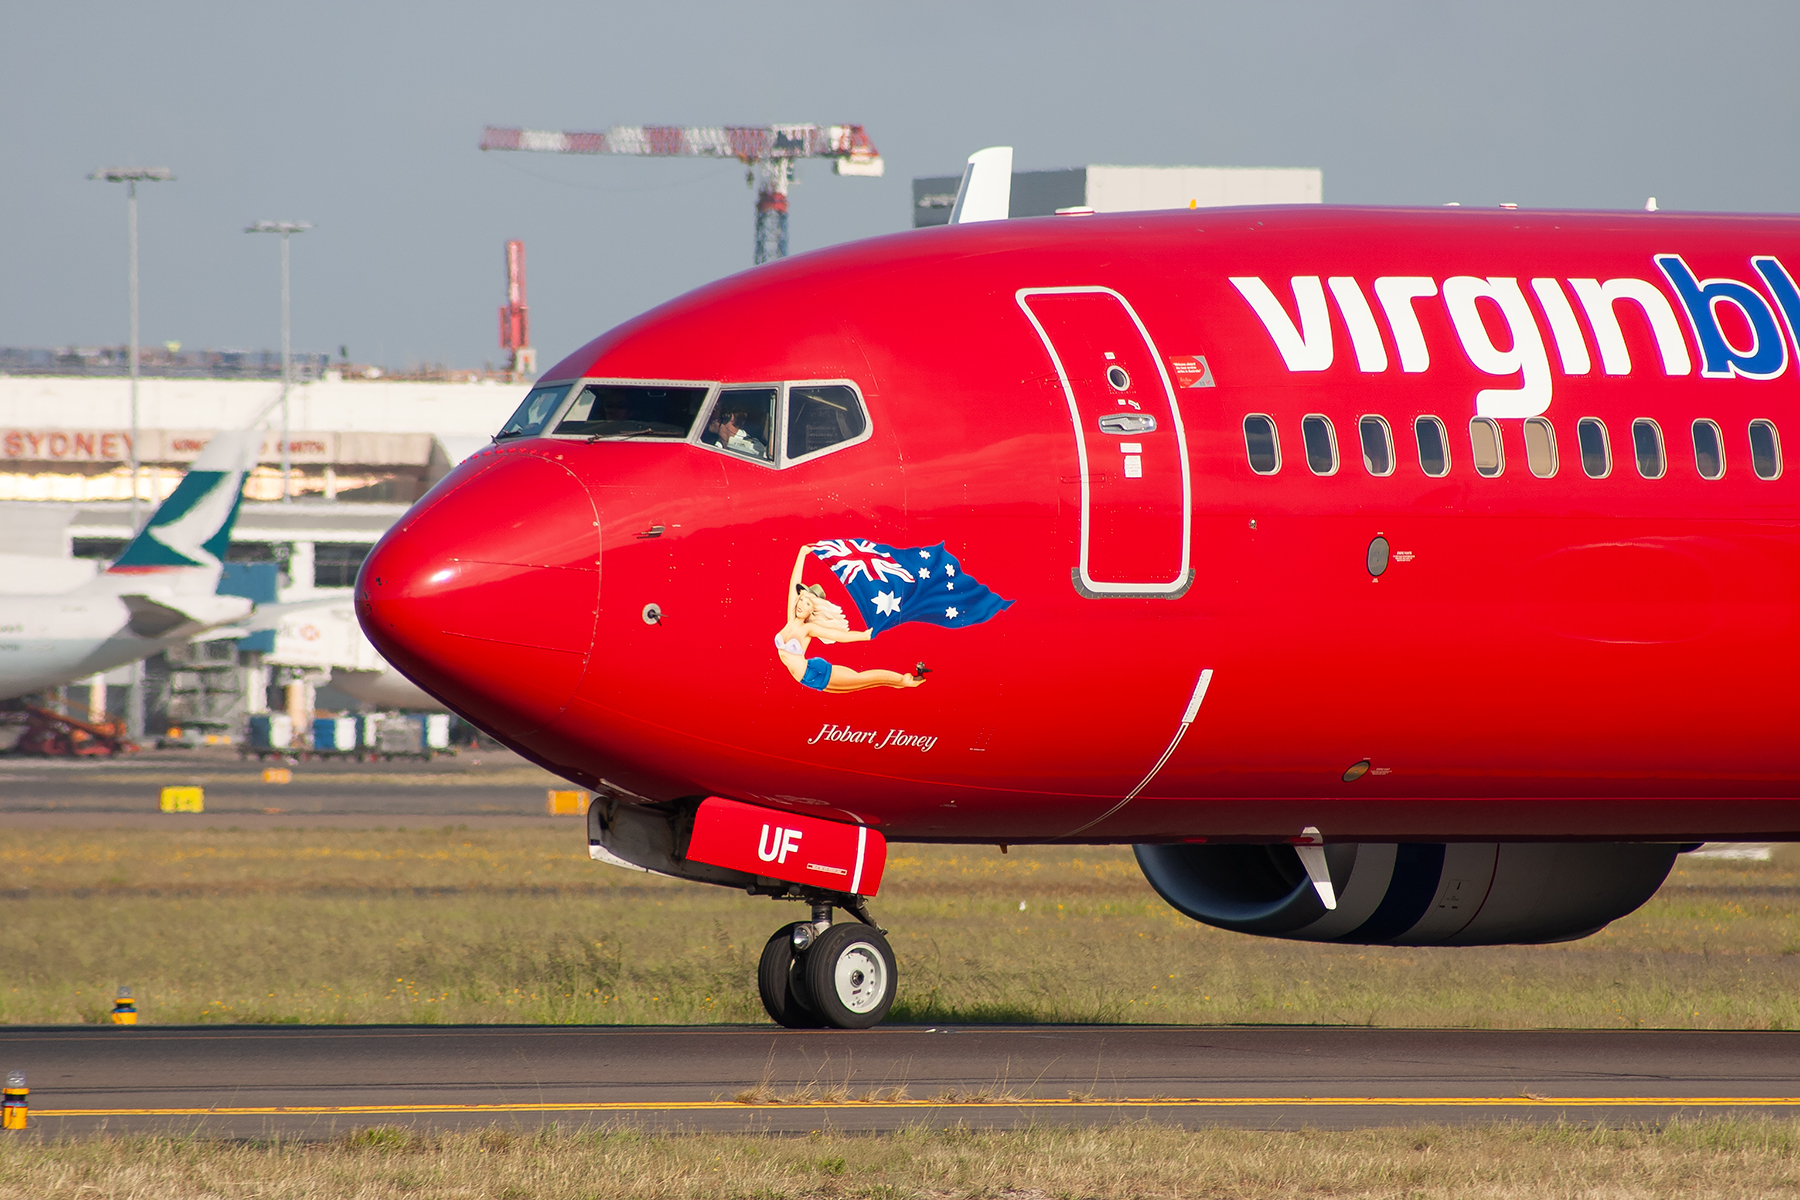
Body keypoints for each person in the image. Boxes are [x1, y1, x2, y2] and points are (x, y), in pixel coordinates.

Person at [774, 545, 925, 692]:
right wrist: (802, 554)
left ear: (812, 611)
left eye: (807, 603)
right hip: (806, 679)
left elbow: (840, 636)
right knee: (865, 685)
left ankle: (904, 680)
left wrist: (864, 636)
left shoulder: (808, 628)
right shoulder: (791, 619)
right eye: (801, 599)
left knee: (862, 679)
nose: (801, 604)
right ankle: (903, 682)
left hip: (815, 673)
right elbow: (794, 584)